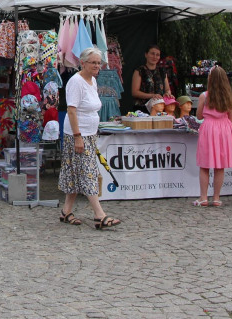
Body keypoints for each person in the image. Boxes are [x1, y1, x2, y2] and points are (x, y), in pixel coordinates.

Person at [58, 47, 121, 230]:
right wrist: (78, 136)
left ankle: (66, 211)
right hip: (78, 135)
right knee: (88, 173)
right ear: (82, 63)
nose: (96, 66)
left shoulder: (92, 80)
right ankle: (99, 215)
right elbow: (71, 110)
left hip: (89, 134)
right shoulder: (76, 82)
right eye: (92, 62)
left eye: (98, 62)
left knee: (74, 173)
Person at [193, 66, 232, 207]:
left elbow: (199, 115)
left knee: (205, 165)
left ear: (210, 79)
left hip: (209, 128)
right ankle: (216, 198)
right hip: (224, 128)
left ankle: (203, 197)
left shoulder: (204, 96)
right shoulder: (228, 97)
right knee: (220, 166)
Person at [131, 44, 173, 111]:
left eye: (157, 55)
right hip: (142, 110)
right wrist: (152, 96)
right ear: (146, 55)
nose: (155, 57)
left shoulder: (162, 71)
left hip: (159, 109)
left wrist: (167, 94)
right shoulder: (140, 71)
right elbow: (135, 92)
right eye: (152, 54)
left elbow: (167, 89)